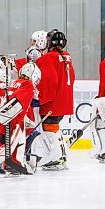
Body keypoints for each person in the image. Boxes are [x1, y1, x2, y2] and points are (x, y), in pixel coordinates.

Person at [0, 62, 40, 178]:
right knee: (9, 145)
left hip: (6, 117)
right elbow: (17, 102)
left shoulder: (16, 82)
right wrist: (10, 119)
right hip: (12, 119)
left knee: (16, 142)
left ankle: (14, 164)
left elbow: (16, 101)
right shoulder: (27, 85)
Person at [33, 29, 75, 170]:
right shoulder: (67, 56)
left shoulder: (47, 58)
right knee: (55, 128)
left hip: (53, 102)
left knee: (49, 129)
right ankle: (62, 156)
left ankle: (57, 158)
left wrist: (41, 99)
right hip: (64, 100)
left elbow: (49, 82)